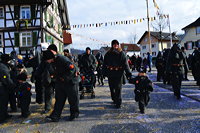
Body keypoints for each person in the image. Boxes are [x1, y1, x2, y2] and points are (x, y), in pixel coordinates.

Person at [46, 44, 80, 122]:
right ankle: (55, 115)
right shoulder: (50, 60)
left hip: (71, 81)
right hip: (60, 82)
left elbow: (72, 69)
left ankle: (74, 114)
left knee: (73, 99)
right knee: (59, 99)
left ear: (54, 51)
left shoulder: (62, 58)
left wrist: (64, 78)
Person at [102, 40, 132, 108]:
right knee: (112, 88)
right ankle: (114, 99)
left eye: (117, 44)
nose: (115, 46)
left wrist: (128, 73)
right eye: (114, 44)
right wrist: (103, 73)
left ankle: (118, 102)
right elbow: (104, 64)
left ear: (118, 45)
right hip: (111, 73)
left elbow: (125, 64)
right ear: (112, 45)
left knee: (118, 88)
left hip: (119, 73)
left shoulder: (121, 53)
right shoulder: (108, 54)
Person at [0, 54, 15, 123]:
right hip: (2, 87)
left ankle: (5, 114)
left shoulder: (3, 65)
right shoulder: (3, 67)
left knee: (5, 102)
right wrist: (12, 85)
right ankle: (2, 118)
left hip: (3, 86)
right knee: (2, 102)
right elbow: (6, 78)